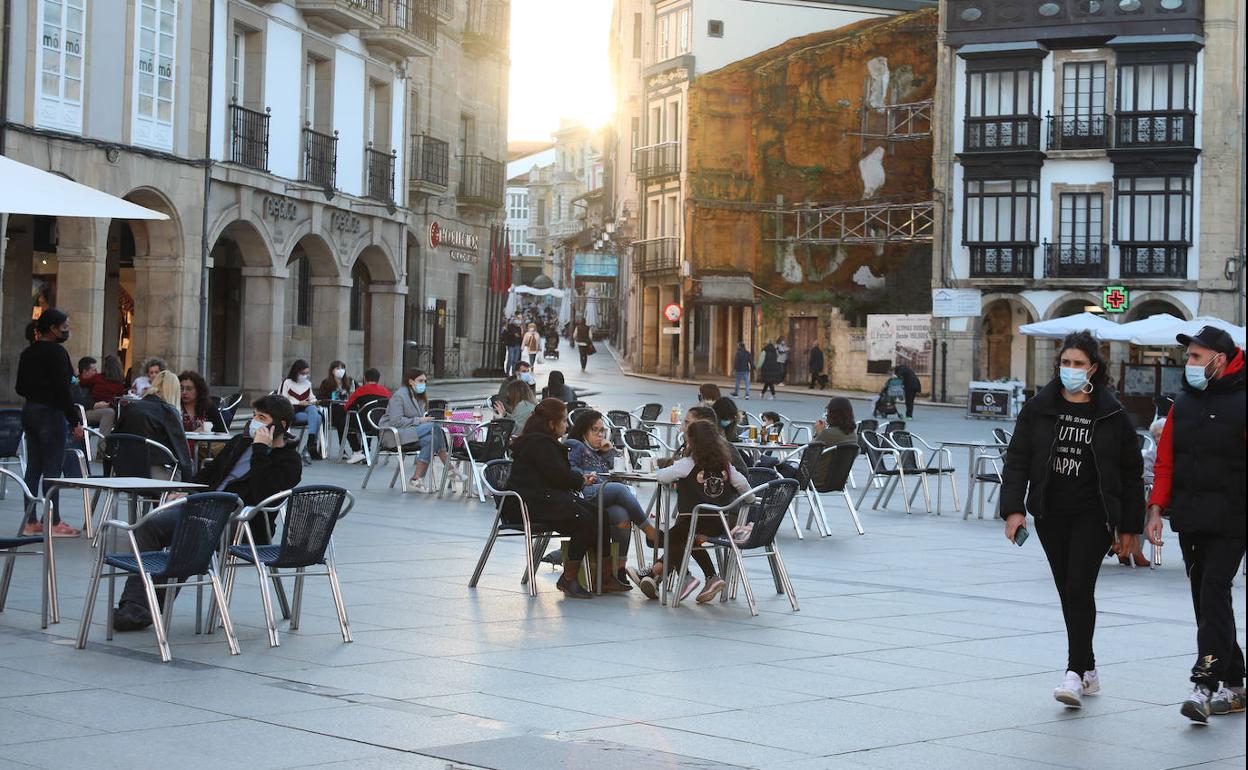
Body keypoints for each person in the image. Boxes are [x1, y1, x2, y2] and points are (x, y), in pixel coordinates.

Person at [1000, 330, 1144, 710]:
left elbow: (1131, 473)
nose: (1071, 369)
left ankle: (1074, 673)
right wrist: (1013, 509)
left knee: (1079, 586)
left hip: (1094, 515)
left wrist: (1131, 527)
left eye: (1078, 363)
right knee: (1068, 590)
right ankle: (1089, 666)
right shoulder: (1039, 407)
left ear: (1093, 368)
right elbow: (1017, 459)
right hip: (1051, 514)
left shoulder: (1112, 414)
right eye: (1065, 362)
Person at [110, 395, 302, 632]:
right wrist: (186, 490)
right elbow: (210, 472)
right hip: (204, 508)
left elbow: (262, 492)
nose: (254, 422)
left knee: (192, 532)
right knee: (150, 525)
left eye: (261, 418)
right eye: (254, 415)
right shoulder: (240, 442)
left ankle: (144, 608)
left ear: (280, 425)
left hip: (243, 523)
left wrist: (260, 450)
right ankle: (135, 603)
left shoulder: (290, 461)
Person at [1144, 325, 1246, 722]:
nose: (1188, 362)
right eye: (1188, 355)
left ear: (1219, 359)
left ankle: (1204, 683)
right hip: (1191, 517)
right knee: (1207, 602)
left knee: (1213, 590)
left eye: (1195, 356)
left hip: (1233, 518)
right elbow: (1165, 462)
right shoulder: (1183, 403)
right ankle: (1236, 683)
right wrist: (1155, 509)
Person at [631, 420, 753, 604]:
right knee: (682, 538)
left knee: (671, 538)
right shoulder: (726, 465)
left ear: (692, 442)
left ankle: (685, 577)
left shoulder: (688, 464)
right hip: (720, 523)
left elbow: (662, 476)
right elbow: (744, 485)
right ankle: (710, 577)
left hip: (694, 522)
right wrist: (750, 501)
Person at [503, 398, 607, 599]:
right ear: (552, 424)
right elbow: (558, 476)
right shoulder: (540, 444)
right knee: (585, 520)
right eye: (564, 421)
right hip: (526, 505)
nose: (566, 425)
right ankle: (569, 578)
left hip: (541, 499)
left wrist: (578, 479)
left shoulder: (542, 441)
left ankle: (605, 575)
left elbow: (557, 476)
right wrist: (580, 480)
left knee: (599, 514)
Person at [566, 411, 663, 591]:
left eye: (602, 431)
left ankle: (617, 571)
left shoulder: (599, 451)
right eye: (595, 430)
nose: (600, 435)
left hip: (603, 496)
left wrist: (609, 450)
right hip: (585, 493)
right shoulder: (575, 444)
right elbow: (569, 469)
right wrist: (586, 475)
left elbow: (616, 468)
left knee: (622, 516)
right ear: (583, 431)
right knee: (619, 489)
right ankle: (650, 532)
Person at [15, 308, 83, 537]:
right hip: (51, 414)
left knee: (34, 467)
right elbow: (64, 390)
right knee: (52, 469)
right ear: (53, 329)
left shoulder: (28, 352)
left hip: (30, 410)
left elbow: (19, 387)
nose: (66, 331)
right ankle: (52, 521)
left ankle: (30, 521)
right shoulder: (57, 352)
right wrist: (75, 420)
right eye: (64, 327)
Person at [379, 369, 457, 492]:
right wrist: (419, 420)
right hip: (394, 434)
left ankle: (416, 479)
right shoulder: (399, 396)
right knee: (434, 427)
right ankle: (449, 467)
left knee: (431, 439)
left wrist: (421, 420)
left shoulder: (418, 397)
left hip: (410, 432)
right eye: (420, 381)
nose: (423, 384)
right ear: (410, 381)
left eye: (425, 381)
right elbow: (396, 421)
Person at [112, 370, 195, 482]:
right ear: (174, 391)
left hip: (123, 471)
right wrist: (189, 484)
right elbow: (182, 452)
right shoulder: (168, 411)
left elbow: (113, 438)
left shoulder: (130, 407)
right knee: (185, 467)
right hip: (153, 474)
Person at [342, 368, 391, 463]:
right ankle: (367, 450)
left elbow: (347, 407)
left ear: (365, 378)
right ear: (378, 379)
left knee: (346, 422)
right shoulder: (386, 392)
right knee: (370, 420)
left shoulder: (360, 391)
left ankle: (357, 450)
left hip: (364, 424)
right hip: (382, 424)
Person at [807, 396, 858, 484]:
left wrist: (818, 433)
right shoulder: (853, 435)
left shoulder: (827, 433)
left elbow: (808, 455)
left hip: (816, 480)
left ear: (832, 413)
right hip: (839, 481)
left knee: (783, 468)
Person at [279, 359, 321, 463]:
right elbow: (282, 400)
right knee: (318, 418)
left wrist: (314, 402)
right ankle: (311, 446)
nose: (305, 376)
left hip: (304, 410)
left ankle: (310, 441)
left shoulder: (308, 384)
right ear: (296, 371)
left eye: (307, 373)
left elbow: (312, 397)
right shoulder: (287, 382)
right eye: (302, 373)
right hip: (291, 412)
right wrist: (298, 403)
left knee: (313, 410)